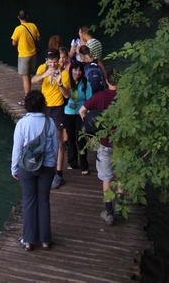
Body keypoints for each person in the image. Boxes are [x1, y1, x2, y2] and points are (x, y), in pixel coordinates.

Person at [11, 89, 58, 251]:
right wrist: (52, 166)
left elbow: (17, 149)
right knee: (43, 201)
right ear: (43, 105)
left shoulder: (22, 123)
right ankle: (45, 240)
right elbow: (54, 148)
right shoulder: (50, 122)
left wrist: (14, 168)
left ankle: (29, 240)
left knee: (29, 201)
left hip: (26, 167)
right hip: (47, 166)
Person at [80, 71, 118, 225]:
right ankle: (121, 206)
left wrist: (90, 129)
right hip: (123, 143)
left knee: (107, 178)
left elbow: (82, 110)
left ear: (106, 81)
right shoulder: (126, 98)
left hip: (105, 143)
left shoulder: (100, 96)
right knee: (121, 176)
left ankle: (109, 212)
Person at [31, 50, 70, 189]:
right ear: (47, 60)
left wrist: (59, 84)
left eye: (55, 61)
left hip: (57, 108)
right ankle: (44, 167)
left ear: (59, 60)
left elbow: (66, 95)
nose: (53, 63)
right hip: (44, 107)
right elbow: (33, 80)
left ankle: (58, 173)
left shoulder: (64, 73)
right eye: (50, 61)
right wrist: (45, 74)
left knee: (59, 141)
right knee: (43, 137)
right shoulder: (43, 68)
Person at [63, 60, 92, 174]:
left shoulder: (85, 83)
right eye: (75, 70)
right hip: (68, 113)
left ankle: (84, 165)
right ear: (71, 71)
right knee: (70, 139)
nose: (78, 72)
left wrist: (87, 112)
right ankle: (72, 162)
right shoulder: (67, 81)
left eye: (80, 70)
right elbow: (64, 95)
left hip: (81, 114)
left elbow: (89, 99)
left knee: (81, 139)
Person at [11, 10, 40, 104]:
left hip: (24, 56)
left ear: (18, 17)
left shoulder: (18, 29)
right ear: (27, 17)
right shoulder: (33, 25)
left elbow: (13, 43)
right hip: (33, 54)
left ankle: (27, 98)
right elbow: (37, 38)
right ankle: (30, 95)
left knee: (25, 76)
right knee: (29, 75)